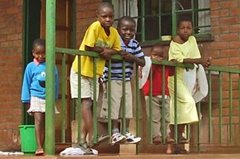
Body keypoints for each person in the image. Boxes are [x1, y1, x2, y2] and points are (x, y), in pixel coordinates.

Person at [70, 2, 121, 151]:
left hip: (94, 73)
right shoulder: (95, 27)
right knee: (86, 103)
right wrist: (105, 50)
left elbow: (117, 49)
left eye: (111, 17)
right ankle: (94, 135)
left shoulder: (114, 33)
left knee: (90, 106)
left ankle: (83, 141)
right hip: (80, 69)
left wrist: (108, 52)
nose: (108, 19)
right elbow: (88, 46)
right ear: (97, 16)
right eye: (104, 16)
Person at [99, 16, 145, 144]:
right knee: (114, 105)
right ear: (118, 29)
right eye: (125, 29)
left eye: (131, 30)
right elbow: (105, 55)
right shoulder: (114, 40)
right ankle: (115, 132)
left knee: (127, 105)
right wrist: (118, 55)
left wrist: (131, 57)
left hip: (126, 79)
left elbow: (142, 61)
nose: (128, 33)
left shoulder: (135, 44)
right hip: (112, 77)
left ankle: (125, 131)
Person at [168, 17, 211, 146]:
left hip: (189, 76)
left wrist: (202, 62)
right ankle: (174, 134)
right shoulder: (173, 44)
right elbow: (179, 60)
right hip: (176, 79)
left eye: (188, 28)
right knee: (187, 102)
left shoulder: (192, 40)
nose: (186, 30)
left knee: (183, 107)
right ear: (177, 30)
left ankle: (179, 138)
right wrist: (200, 61)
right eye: (182, 28)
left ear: (192, 30)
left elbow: (195, 58)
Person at [21, 38, 59, 156]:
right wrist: (26, 100)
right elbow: (26, 83)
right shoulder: (30, 67)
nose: (41, 56)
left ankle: (47, 145)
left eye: (43, 53)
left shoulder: (51, 66)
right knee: (38, 121)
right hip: (36, 97)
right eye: (38, 53)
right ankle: (39, 146)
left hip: (48, 98)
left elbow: (56, 82)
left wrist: (54, 97)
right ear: (33, 52)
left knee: (49, 122)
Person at [141, 44, 174, 153]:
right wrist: (153, 64)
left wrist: (172, 62)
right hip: (151, 94)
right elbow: (148, 75)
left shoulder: (165, 65)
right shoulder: (148, 64)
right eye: (155, 55)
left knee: (166, 117)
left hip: (165, 93)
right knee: (154, 117)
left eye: (160, 56)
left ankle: (166, 135)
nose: (157, 58)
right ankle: (156, 135)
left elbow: (172, 73)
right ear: (150, 55)